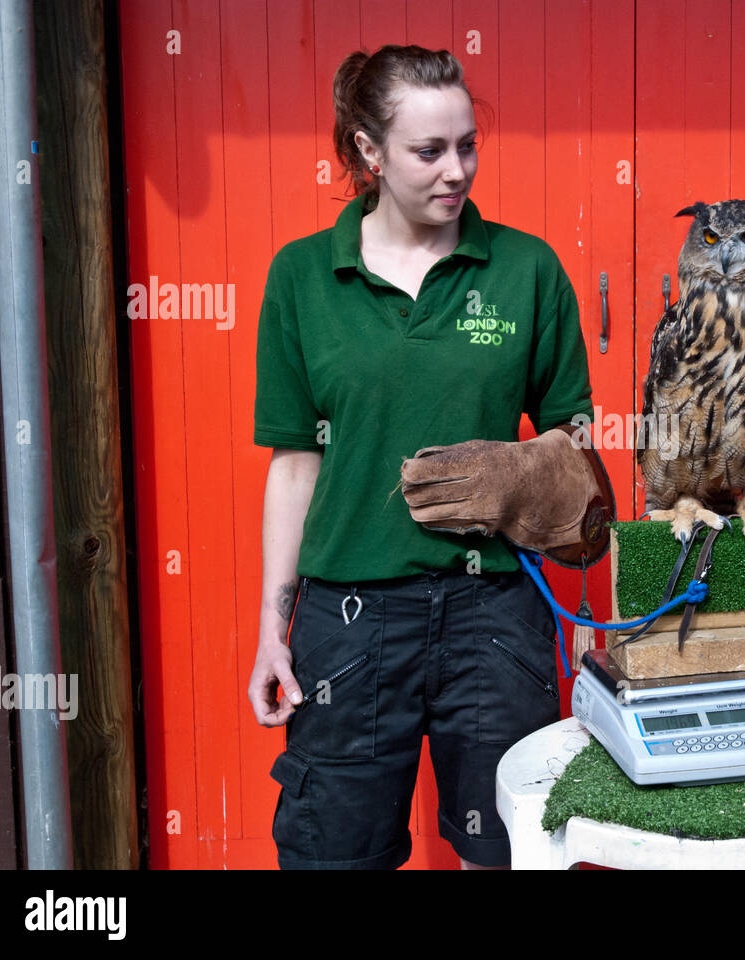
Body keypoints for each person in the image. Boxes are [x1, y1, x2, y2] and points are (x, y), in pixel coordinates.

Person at [246, 44, 612, 870]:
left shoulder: (526, 270)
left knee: (515, 851)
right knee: (332, 851)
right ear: (369, 153)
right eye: (429, 151)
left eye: (469, 145)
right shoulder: (302, 278)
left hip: (493, 615)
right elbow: (296, 464)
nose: (458, 170)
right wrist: (274, 631)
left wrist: (526, 479)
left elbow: (578, 453)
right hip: (347, 619)